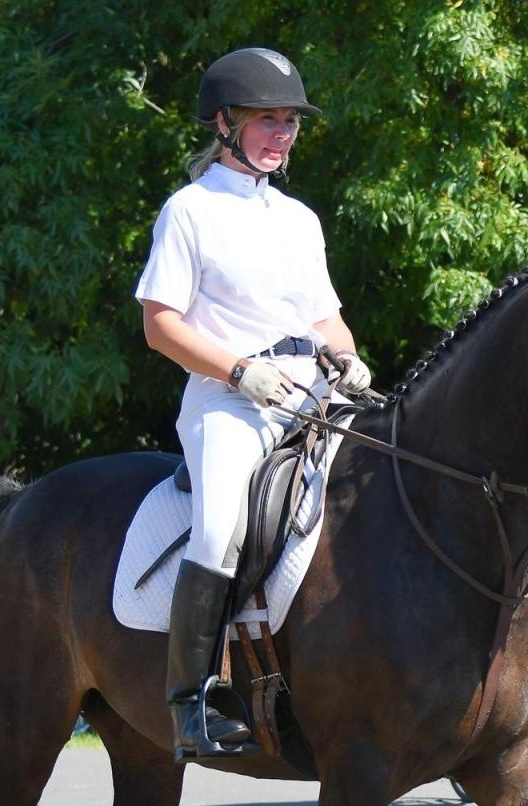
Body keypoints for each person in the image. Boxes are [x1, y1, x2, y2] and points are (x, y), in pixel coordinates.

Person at [137, 47, 372, 761]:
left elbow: (325, 318)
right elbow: (160, 323)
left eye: (290, 121)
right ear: (225, 122)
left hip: (311, 396)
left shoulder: (298, 219)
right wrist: (240, 372)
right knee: (220, 528)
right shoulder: (190, 210)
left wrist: (350, 358)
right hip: (226, 400)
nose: (282, 133)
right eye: (267, 119)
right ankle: (194, 699)